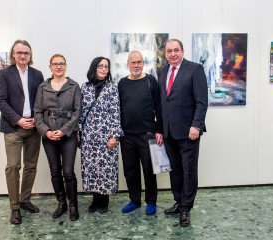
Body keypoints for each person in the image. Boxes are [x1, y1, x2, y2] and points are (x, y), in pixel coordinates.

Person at [158, 39, 208, 227]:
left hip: (189, 132)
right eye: (169, 51)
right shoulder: (162, 71)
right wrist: (160, 129)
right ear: (165, 53)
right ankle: (179, 202)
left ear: (182, 51)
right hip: (169, 132)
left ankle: (186, 208)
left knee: (188, 171)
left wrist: (196, 125)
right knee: (175, 171)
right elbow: (162, 103)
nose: (173, 54)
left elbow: (202, 101)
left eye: (176, 50)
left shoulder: (195, 69)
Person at [0, 40, 44, 225]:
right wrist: (18, 120)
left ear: (30, 56)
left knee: (31, 166)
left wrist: (36, 120)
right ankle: (15, 207)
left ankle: (25, 200)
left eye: (26, 53)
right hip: (13, 128)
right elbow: (0, 101)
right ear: (13, 54)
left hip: (33, 128)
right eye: (19, 52)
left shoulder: (37, 74)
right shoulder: (4, 74)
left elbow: (41, 100)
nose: (23, 55)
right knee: (13, 166)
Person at [34, 54, 81, 221]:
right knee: (55, 171)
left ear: (66, 66)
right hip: (48, 136)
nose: (58, 66)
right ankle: (61, 203)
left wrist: (64, 130)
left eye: (61, 64)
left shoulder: (74, 86)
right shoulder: (42, 87)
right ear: (50, 67)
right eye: (55, 64)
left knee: (68, 171)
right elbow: (37, 112)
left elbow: (77, 112)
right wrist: (46, 131)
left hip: (68, 135)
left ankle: (73, 204)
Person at [118, 51, 163, 215]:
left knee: (149, 169)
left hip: (147, 134)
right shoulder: (122, 83)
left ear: (143, 64)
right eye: (133, 62)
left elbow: (159, 107)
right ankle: (134, 200)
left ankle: (151, 201)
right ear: (128, 64)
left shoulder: (151, 81)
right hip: (127, 135)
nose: (136, 65)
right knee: (130, 170)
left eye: (139, 62)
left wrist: (159, 130)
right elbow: (118, 110)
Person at [79, 56, 123, 214]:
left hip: (106, 135)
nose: (104, 69)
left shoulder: (112, 87)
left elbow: (116, 112)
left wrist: (114, 135)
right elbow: (80, 111)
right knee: (91, 167)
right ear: (94, 68)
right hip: (89, 135)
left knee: (105, 169)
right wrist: (78, 131)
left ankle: (104, 200)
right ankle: (95, 199)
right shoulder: (85, 87)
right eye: (100, 66)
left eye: (106, 66)